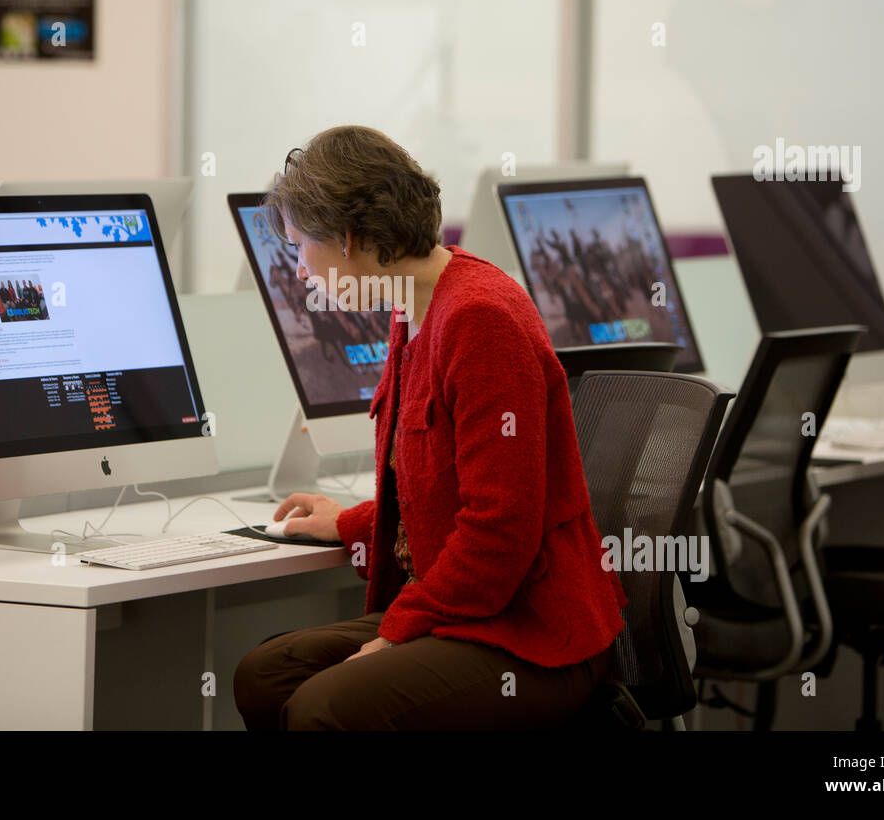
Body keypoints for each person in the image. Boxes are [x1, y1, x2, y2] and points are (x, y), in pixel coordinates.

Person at [233, 126, 627, 730]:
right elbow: (439, 497)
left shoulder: (478, 320)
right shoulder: (413, 306)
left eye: (300, 248)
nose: (300, 270)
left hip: (530, 631)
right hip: (472, 609)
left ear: (345, 239)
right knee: (266, 677)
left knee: (322, 708)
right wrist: (348, 521)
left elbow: (500, 532)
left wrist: (395, 637)